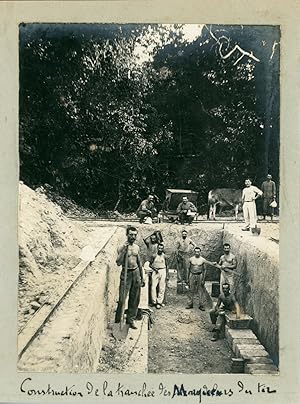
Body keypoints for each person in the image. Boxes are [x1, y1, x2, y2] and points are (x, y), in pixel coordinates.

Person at [115, 226, 145, 329]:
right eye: (131, 234)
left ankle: (130, 319)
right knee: (122, 298)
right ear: (127, 235)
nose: (133, 237)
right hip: (126, 273)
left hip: (136, 272)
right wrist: (124, 250)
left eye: (135, 235)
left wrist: (142, 276)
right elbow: (118, 262)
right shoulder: (121, 247)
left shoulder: (137, 247)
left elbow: (139, 262)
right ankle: (118, 320)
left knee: (135, 298)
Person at [186, 247, 216, 311]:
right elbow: (188, 269)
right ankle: (190, 303)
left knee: (200, 290)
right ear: (194, 252)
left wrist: (203, 279)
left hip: (199, 275)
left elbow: (205, 270)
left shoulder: (202, 260)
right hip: (192, 274)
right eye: (196, 251)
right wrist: (187, 278)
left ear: (200, 252)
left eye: (198, 252)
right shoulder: (191, 259)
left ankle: (201, 305)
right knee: (191, 289)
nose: (197, 253)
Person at [149, 243, 169, 309]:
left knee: (162, 287)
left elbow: (167, 265)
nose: (160, 249)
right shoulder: (154, 255)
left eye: (161, 248)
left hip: (163, 271)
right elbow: (150, 264)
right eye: (159, 248)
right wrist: (155, 269)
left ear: (163, 249)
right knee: (153, 287)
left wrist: (167, 275)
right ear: (157, 248)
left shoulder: (164, 256)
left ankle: (159, 302)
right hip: (155, 271)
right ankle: (154, 302)